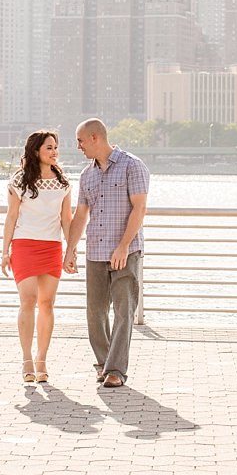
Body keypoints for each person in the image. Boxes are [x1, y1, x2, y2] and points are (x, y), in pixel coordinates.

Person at [63, 118, 149, 388]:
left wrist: (123, 245)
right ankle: (103, 363)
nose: (78, 147)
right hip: (96, 253)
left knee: (124, 312)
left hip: (125, 251)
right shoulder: (87, 175)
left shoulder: (132, 166)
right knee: (95, 312)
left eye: (80, 141)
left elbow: (139, 208)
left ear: (95, 138)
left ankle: (116, 371)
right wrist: (70, 250)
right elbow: (80, 215)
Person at [1, 130, 72, 383]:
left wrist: (71, 250)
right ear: (35, 152)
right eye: (49, 148)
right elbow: (11, 217)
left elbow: (66, 219)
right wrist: (4, 251)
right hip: (24, 246)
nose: (54, 152)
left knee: (47, 304)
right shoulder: (19, 181)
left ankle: (42, 358)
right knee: (28, 300)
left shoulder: (63, 182)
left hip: (52, 246)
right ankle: (26, 359)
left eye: (56, 147)